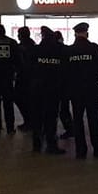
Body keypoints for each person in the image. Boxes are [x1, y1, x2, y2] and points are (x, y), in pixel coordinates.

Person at [65, 22, 98, 158]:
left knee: (78, 120)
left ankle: (81, 150)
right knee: (93, 120)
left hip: (75, 91)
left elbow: (64, 73)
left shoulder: (69, 51)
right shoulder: (94, 49)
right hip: (92, 90)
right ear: (86, 33)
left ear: (75, 34)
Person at [29, 26, 67, 155]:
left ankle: (36, 144)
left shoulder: (35, 50)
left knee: (37, 116)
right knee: (51, 117)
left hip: (37, 89)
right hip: (54, 89)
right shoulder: (60, 50)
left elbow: (28, 68)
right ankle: (51, 144)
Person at [15, 27, 35, 131]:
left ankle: (29, 121)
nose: (18, 36)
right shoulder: (31, 45)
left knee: (21, 99)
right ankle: (29, 121)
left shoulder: (23, 47)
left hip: (25, 77)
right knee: (24, 100)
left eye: (19, 34)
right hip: (28, 76)